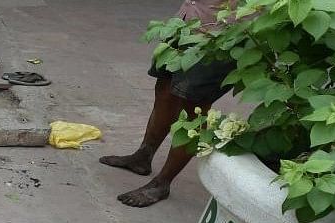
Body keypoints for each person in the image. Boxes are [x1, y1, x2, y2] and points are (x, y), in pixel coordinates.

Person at [100, 0, 236, 207]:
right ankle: (143, 156)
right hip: (186, 21)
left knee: (194, 109)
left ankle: (162, 183)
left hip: (219, 36)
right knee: (164, 90)